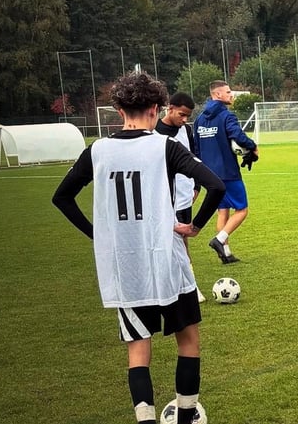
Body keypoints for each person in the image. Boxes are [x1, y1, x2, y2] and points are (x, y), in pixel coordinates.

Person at [52, 71, 226, 424]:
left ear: (119, 110)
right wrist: (194, 226)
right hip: (168, 262)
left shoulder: (97, 151)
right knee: (188, 341)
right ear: (156, 109)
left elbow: (62, 198)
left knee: (138, 350)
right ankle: (186, 417)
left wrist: (97, 234)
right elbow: (215, 186)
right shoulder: (165, 147)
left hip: (125, 268)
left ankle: (145, 419)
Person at [192, 80, 258, 264]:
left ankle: (226, 254)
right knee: (242, 209)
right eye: (228, 92)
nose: (231, 94)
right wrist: (253, 147)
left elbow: (196, 148)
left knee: (222, 211)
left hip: (209, 175)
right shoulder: (227, 116)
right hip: (228, 173)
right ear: (217, 94)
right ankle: (219, 240)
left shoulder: (199, 119)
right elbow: (238, 136)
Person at [155, 92, 205, 302]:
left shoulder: (186, 130)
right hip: (163, 198)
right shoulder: (154, 131)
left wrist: (197, 185)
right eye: (181, 114)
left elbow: (194, 157)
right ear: (170, 108)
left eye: (187, 116)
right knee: (163, 243)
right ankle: (165, 285)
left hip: (184, 197)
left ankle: (190, 285)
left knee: (183, 241)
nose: (184, 119)